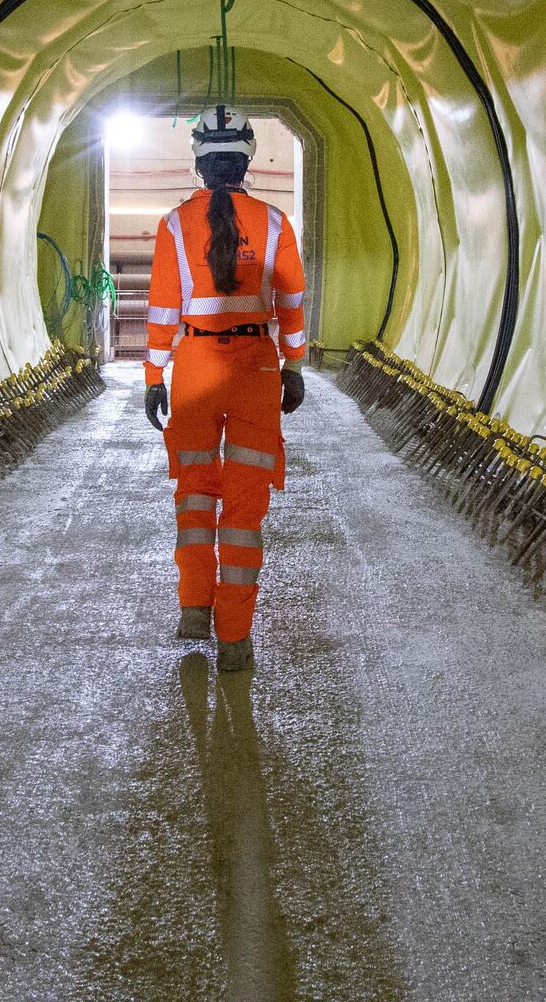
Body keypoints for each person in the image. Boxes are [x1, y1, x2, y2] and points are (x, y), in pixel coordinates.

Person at [143, 107, 307, 674]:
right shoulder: (276, 224)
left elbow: (163, 308)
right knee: (243, 507)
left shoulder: (173, 225)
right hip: (257, 373)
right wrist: (294, 366)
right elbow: (290, 304)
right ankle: (235, 640)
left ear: (199, 162)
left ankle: (194, 608)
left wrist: (153, 375)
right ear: (246, 159)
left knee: (194, 492)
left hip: (193, 369)